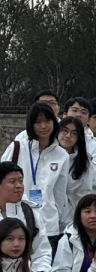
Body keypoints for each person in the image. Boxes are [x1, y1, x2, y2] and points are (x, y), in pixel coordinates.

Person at [2, 102, 69, 239]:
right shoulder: (18, 147)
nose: (43, 126)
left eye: (47, 121)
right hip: (17, 221)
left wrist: (60, 220)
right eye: (38, 122)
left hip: (48, 224)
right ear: (31, 125)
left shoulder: (62, 155)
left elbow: (60, 193)